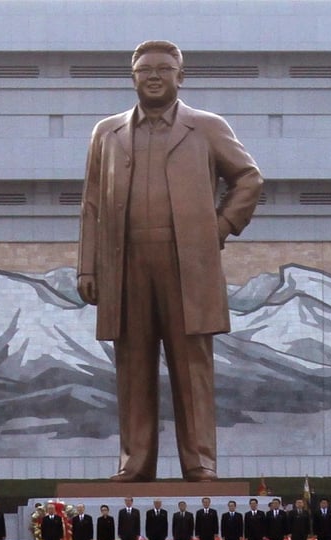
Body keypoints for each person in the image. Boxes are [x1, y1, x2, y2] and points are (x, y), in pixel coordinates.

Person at [77, 40, 263, 483]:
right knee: (133, 364)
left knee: (191, 365)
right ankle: (134, 461)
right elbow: (90, 205)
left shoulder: (207, 127)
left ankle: (200, 461)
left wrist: (218, 228)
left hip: (187, 264)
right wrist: (88, 266)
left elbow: (249, 179)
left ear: (181, 76)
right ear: (133, 77)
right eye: (145, 69)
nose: (154, 75)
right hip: (127, 262)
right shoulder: (108, 132)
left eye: (164, 68)